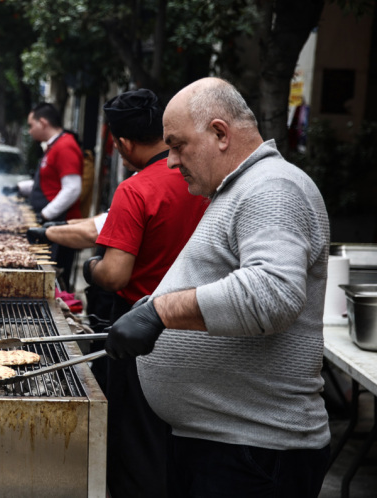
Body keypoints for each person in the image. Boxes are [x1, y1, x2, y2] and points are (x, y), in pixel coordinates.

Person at [106, 77, 332, 497]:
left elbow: (272, 293)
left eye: (176, 145)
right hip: (224, 444)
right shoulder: (237, 189)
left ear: (219, 133)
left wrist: (159, 312)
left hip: (254, 453)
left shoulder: (272, 187)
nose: (171, 162)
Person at [27, 89, 209, 498]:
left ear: (123, 143)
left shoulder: (136, 188)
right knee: (178, 441)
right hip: (200, 329)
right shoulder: (205, 178)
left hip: (144, 336)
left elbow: (115, 274)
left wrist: (91, 268)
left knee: (136, 447)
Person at [24, 102, 84, 288]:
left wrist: (45, 215)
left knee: (55, 282)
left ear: (43, 122)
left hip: (60, 225)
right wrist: (18, 188)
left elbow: (72, 188)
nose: (29, 131)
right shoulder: (53, 146)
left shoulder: (65, 146)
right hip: (50, 224)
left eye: (31, 125)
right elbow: (47, 184)